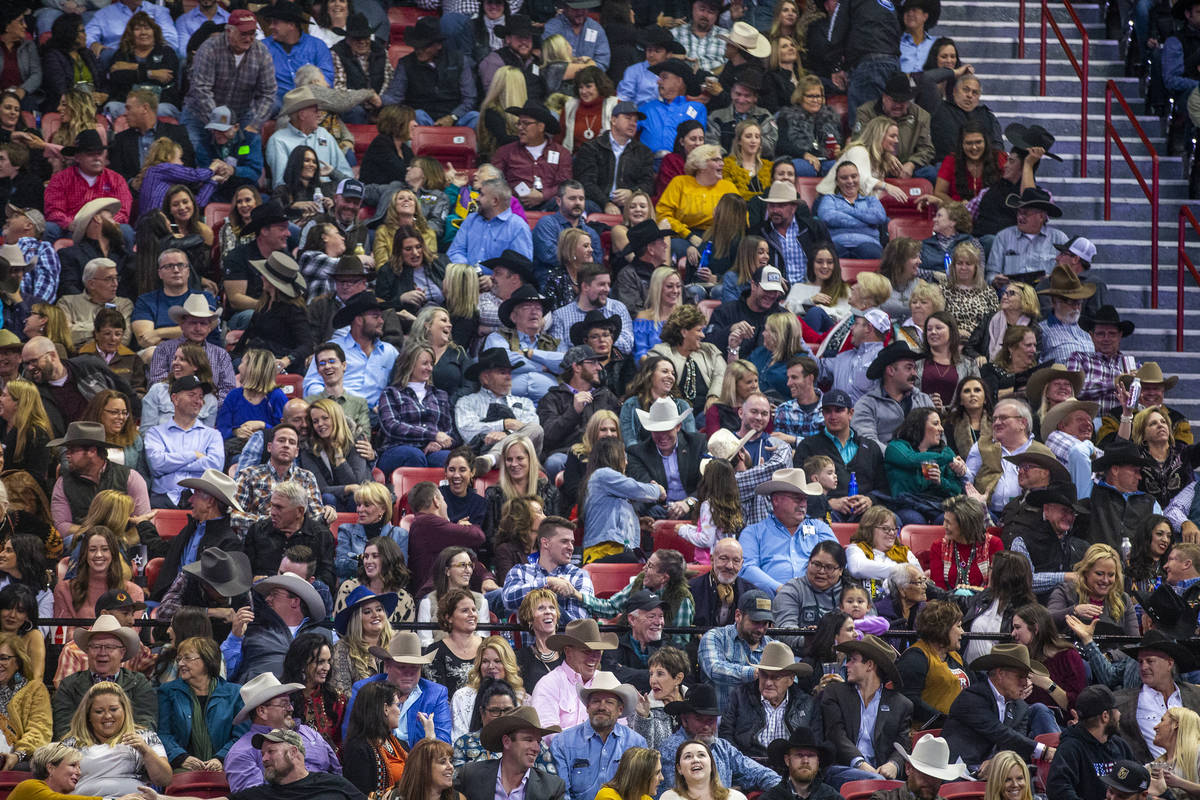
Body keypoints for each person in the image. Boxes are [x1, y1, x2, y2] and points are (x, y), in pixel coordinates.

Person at [942, 642, 1057, 770]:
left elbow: (1016, 746)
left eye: (1027, 677)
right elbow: (999, 732)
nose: (1026, 683)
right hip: (959, 770)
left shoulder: (1020, 707)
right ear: (1000, 674)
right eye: (1020, 676)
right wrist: (1043, 751)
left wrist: (996, 763)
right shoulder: (972, 697)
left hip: (998, 772)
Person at [58, 681, 171, 796]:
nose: (107, 716)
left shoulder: (145, 737)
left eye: (113, 709)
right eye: (99, 711)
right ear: (88, 716)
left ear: (124, 711)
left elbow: (164, 780)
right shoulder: (71, 745)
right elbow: (57, 784)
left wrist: (146, 751)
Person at [549, 672, 646, 800]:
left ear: (620, 710)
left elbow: (639, 792)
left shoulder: (637, 743)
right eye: (596, 701)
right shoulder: (562, 742)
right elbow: (561, 793)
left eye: (609, 702)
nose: (602, 707)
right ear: (587, 707)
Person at [156, 635, 246, 771]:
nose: (180, 664)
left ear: (207, 660)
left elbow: (241, 736)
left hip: (226, 766)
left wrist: (221, 758)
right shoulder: (168, 691)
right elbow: (163, 733)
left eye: (187, 658)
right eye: (179, 659)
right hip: (182, 768)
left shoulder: (235, 694)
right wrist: (181, 757)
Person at [717, 640, 817, 759]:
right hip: (749, 767)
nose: (768, 682)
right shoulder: (739, 696)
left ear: (791, 679)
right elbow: (726, 736)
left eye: (776, 677)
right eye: (764, 675)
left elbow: (814, 744)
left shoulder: (807, 704)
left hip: (790, 770)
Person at [382, 17, 478, 128]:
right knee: (417, 115)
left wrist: (453, 117)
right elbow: (394, 96)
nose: (419, 49)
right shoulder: (406, 63)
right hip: (422, 117)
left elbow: (469, 98)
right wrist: (378, 101)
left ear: (438, 45)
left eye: (424, 46)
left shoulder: (459, 60)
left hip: (455, 117)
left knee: (476, 117)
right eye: (416, 45)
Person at [455, 705, 564, 800]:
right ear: (507, 742)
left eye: (538, 742)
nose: (537, 748)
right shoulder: (471, 775)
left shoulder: (552, 788)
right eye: (529, 740)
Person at [762, 729, 839, 800]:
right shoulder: (770, 798)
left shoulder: (832, 797)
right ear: (787, 760)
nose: (805, 761)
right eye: (799, 755)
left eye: (811, 755)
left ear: (818, 761)